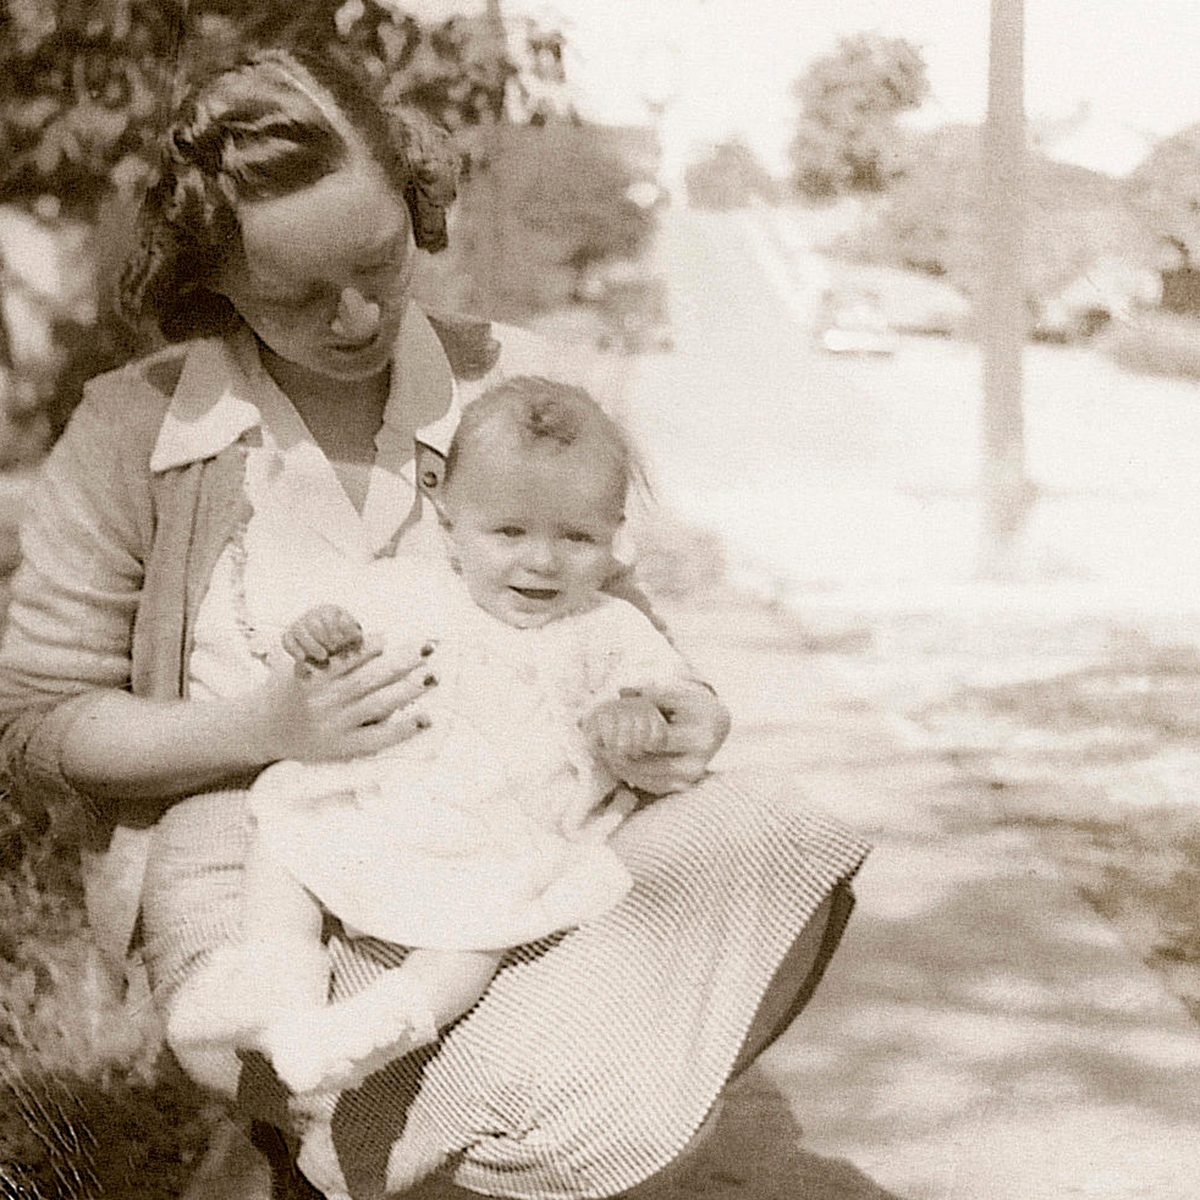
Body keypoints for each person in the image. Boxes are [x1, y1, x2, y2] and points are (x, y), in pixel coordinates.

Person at [0, 43, 870, 1200]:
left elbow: (622, 621)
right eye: (295, 296)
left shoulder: (525, 386)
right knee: (476, 1076)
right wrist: (266, 726)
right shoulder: (134, 431)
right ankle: (348, 1122)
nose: (357, 317)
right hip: (262, 841)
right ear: (213, 281)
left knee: (772, 855)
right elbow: (35, 720)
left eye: (380, 262)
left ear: (415, 203)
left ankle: (373, 1135)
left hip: (518, 814)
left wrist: (677, 721)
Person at [168, 378, 706, 1117]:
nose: (541, 563)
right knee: (286, 840)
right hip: (384, 802)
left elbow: (667, 691)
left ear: (614, 536)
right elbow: (333, 640)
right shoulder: (409, 589)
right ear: (450, 523)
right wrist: (320, 635)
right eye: (509, 533)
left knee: (482, 934)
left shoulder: (610, 628)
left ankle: (379, 1028)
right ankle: (276, 988)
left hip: (504, 835)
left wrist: (638, 714)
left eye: (577, 538)